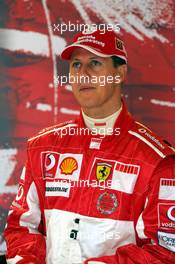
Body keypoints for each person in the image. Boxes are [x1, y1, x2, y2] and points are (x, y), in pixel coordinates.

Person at [4, 28, 175, 264]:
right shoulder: (42, 148)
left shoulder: (156, 160)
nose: (83, 74)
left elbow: (165, 252)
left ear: (120, 73)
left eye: (94, 63)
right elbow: (19, 228)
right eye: (76, 65)